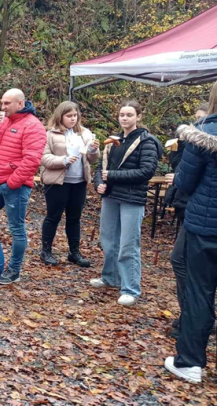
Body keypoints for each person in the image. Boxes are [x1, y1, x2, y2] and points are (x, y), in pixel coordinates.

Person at [164, 82, 217, 384]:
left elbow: (183, 181)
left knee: (199, 292)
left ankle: (190, 362)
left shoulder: (203, 133)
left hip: (205, 228)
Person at [91, 100, 162, 307]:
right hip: (111, 197)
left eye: (129, 115)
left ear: (138, 117)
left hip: (132, 198)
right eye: (122, 114)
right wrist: (99, 184)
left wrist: (112, 175)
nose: (124, 118)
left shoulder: (147, 141)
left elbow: (146, 172)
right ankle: (110, 277)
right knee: (108, 240)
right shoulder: (114, 140)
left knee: (128, 245)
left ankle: (130, 288)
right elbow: (101, 168)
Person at [0, 88, 46, 285]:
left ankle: (14, 270)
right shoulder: (2, 121)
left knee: (16, 229)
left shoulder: (33, 126)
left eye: (7, 104)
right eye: (2, 103)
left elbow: (32, 160)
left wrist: (12, 182)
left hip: (15, 186)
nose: (2, 107)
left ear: (20, 104)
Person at [165, 103, 209, 339]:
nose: (198, 124)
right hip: (192, 209)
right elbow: (180, 166)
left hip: (201, 213)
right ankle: (193, 317)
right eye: (196, 120)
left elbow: (186, 178)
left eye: (202, 119)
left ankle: (193, 319)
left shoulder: (203, 139)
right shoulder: (190, 141)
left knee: (187, 265)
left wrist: (180, 175)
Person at [39, 101, 100, 267]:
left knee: (74, 218)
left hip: (79, 182)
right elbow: (43, 158)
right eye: (69, 116)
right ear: (61, 116)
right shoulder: (50, 134)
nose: (73, 119)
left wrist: (94, 150)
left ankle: (74, 252)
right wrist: (63, 160)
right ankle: (46, 251)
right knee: (53, 216)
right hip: (58, 182)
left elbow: (93, 159)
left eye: (75, 115)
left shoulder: (85, 133)